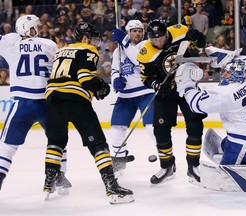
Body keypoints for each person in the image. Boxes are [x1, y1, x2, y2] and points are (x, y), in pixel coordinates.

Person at [43, 22, 134, 204]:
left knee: (55, 143)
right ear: (85, 38)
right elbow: (84, 77)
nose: (95, 43)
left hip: (52, 99)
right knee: (98, 144)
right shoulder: (88, 50)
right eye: (93, 39)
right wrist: (100, 86)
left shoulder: (61, 50)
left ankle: (48, 183)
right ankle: (111, 186)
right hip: (76, 100)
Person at [175, 46, 246, 193]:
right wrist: (226, 58)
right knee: (222, 148)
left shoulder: (225, 93)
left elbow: (197, 104)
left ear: (235, 75)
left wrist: (186, 84)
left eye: (228, 73)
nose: (224, 75)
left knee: (226, 174)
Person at [0, 15, 71, 191]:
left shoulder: (11, 44)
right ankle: (60, 175)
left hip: (22, 104)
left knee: (7, 145)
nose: (37, 29)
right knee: (59, 140)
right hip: (48, 102)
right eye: (35, 27)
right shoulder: (50, 44)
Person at [137, 19, 207, 184]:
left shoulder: (180, 31)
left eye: (161, 38)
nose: (158, 42)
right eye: (154, 40)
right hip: (165, 91)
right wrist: (156, 85)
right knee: (160, 130)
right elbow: (145, 77)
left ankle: (193, 166)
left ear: (167, 33)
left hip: (187, 87)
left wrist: (198, 37)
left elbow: (201, 45)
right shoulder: (145, 51)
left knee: (195, 123)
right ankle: (167, 166)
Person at [110, 20, 155, 175]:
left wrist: (124, 41)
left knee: (153, 128)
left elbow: (140, 60)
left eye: (140, 31)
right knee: (116, 130)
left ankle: (166, 159)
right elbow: (115, 68)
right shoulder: (118, 51)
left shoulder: (146, 46)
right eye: (134, 31)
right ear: (128, 32)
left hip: (145, 92)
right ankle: (119, 161)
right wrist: (115, 79)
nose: (138, 33)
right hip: (125, 95)